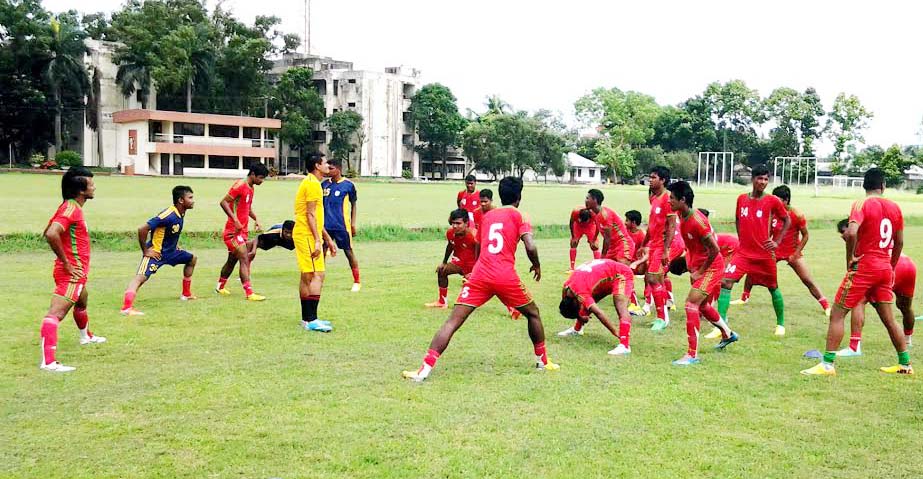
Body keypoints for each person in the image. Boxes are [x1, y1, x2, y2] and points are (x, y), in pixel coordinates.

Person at [402, 177, 558, 382]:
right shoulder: (521, 215)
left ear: (500, 195)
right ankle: (542, 361)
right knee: (533, 314)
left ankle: (423, 371)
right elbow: (530, 245)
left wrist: (475, 269)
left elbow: (478, 244)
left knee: (452, 322)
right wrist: (536, 264)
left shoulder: (488, 216)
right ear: (519, 196)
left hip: (480, 275)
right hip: (505, 276)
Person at [802, 168, 912, 376]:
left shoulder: (861, 204)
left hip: (865, 267)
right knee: (889, 319)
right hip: (884, 267)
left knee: (837, 313)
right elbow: (899, 241)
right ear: (883, 185)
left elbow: (851, 232)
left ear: (864, 185)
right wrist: (892, 266)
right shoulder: (895, 207)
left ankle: (827, 364)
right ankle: (905, 364)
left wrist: (850, 258)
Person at [39, 167, 106, 372]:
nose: (94, 186)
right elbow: (51, 233)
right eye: (91, 183)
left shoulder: (71, 207)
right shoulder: (71, 208)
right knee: (55, 314)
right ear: (81, 189)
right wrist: (67, 264)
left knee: (82, 300)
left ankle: (86, 337)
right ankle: (48, 362)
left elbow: (48, 230)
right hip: (71, 273)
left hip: (77, 272)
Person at [666, 181, 739, 365]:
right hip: (700, 267)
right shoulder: (681, 215)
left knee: (691, 304)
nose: (669, 201)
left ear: (683, 200)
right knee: (704, 306)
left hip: (712, 268)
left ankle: (692, 355)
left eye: (672, 198)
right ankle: (728, 334)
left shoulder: (697, 221)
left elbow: (714, 249)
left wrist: (700, 271)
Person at [731, 185, 831, 317]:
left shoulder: (797, 214)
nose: (775, 202)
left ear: (786, 200)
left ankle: (826, 305)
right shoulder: (771, 212)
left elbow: (806, 235)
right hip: (773, 251)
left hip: (792, 252)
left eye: (778, 200)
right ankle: (744, 297)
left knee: (807, 279)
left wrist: (796, 254)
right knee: (753, 271)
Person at [715, 164, 791, 336]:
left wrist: (777, 241)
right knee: (726, 282)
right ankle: (721, 325)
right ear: (753, 179)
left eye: (766, 179)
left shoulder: (772, 201)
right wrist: (742, 238)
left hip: (764, 254)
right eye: (760, 178)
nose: (763, 182)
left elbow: (787, 220)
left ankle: (780, 324)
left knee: (773, 287)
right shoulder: (741, 198)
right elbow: (737, 218)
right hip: (743, 253)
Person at [832, 219, 916, 357]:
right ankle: (908, 340)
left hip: (889, 267)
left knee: (859, 299)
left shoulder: (859, 236)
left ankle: (854, 347)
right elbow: (898, 242)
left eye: (843, 231)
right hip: (907, 264)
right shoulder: (875, 229)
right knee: (905, 307)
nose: (842, 236)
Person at [120, 186, 197, 316]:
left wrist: (175, 245)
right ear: (181, 200)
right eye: (190, 198)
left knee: (192, 259)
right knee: (140, 278)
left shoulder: (181, 212)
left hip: (171, 252)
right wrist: (146, 250)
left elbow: (170, 231)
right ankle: (126, 308)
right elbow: (142, 229)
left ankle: (186, 294)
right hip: (157, 254)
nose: (193, 200)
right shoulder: (168, 214)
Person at [294, 153, 337, 333]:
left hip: (308, 234)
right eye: (325, 162)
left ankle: (307, 319)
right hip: (306, 235)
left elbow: (316, 218)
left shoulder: (313, 183)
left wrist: (327, 239)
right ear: (317, 166)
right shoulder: (312, 184)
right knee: (316, 275)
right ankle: (311, 319)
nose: (328, 165)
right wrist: (318, 241)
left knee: (309, 275)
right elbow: (310, 215)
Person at [557, 259, 635, 356]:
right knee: (588, 304)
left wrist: (614, 331)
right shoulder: (566, 288)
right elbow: (574, 304)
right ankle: (577, 329)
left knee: (620, 307)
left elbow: (599, 313)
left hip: (621, 274)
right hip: (605, 276)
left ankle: (625, 345)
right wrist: (580, 316)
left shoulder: (581, 293)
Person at [216, 163, 268, 301]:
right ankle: (249, 293)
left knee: (231, 261)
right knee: (244, 257)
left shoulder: (251, 188)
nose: (262, 181)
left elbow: (247, 207)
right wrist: (235, 220)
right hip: (232, 232)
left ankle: (220, 286)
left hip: (242, 232)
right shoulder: (240, 185)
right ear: (252, 174)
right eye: (261, 178)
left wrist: (256, 219)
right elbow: (223, 202)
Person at [638, 166, 677, 331]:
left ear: (663, 180)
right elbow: (652, 225)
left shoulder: (668, 199)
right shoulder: (654, 198)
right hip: (653, 244)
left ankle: (663, 318)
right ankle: (664, 310)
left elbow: (671, 226)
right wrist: (643, 243)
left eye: (653, 177)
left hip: (663, 244)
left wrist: (667, 249)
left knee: (653, 278)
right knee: (654, 278)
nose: (650, 180)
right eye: (650, 177)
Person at [425, 209, 479, 309]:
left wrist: (474, 272)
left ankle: (512, 307)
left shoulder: (474, 236)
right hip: (459, 263)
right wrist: (444, 262)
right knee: (441, 270)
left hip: (475, 266)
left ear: (466, 223)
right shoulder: (450, 233)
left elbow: (481, 255)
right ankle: (442, 302)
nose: (455, 226)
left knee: (493, 284)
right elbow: (450, 246)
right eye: (453, 223)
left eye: (458, 223)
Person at [322, 159, 361, 292]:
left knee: (348, 252)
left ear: (338, 169)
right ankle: (318, 279)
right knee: (321, 252)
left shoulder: (348, 185)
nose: (328, 171)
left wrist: (353, 223)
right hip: (326, 226)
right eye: (327, 168)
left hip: (342, 226)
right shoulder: (324, 185)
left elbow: (354, 204)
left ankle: (357, 281)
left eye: (330, 168)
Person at [585, 189, 635, 266]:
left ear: (595, 200)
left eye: (588, 198)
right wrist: (594, 239)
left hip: (623, 243)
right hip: (612, 247)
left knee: (621, 267)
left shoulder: (605, 215)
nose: (585, 200)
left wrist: (603, 255)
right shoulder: (594, 213)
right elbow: (598, 226)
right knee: (605, 268)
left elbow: (607, 238)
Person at [568, 206, 600, 271]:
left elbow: (598, 227)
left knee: (594, 246)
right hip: (577, 226)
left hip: (590, 227)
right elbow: (571, 223)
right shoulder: (575, 212)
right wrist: (573, 236)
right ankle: (572, 267)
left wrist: (594, 238)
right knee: (573, 243)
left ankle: (598, 266)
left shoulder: (594, 214)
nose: (584, 223)